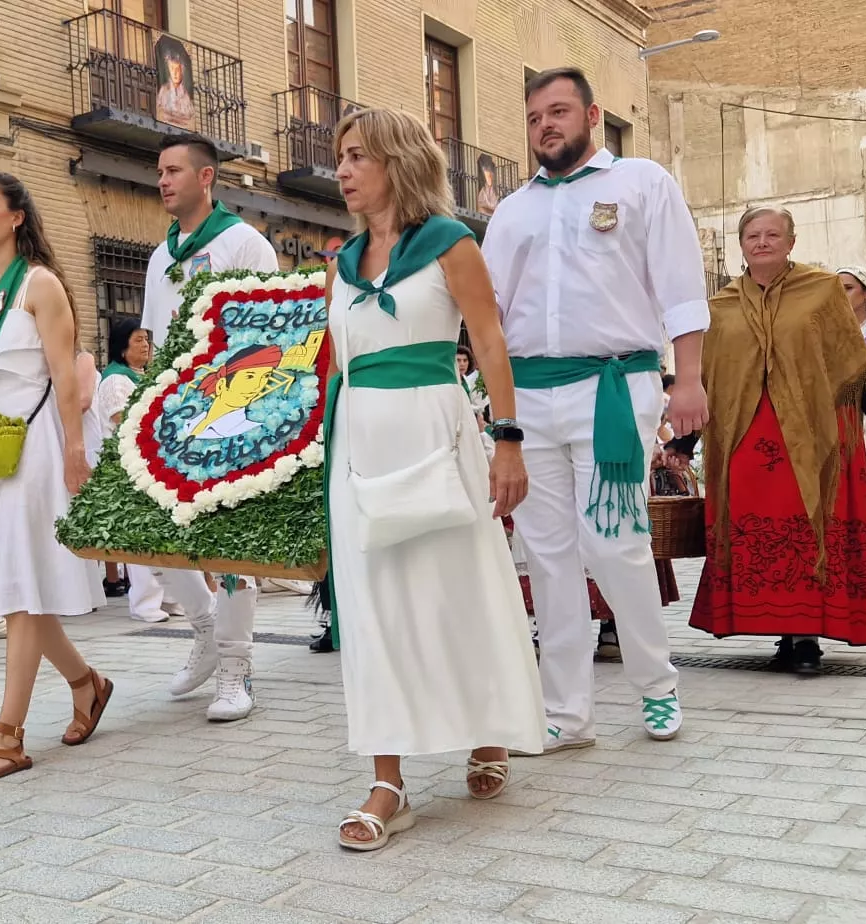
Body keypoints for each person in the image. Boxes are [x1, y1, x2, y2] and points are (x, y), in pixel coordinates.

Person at [323, 106, 544, 851]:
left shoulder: (452, 244)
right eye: (340, 157)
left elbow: (489, 344)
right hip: (359, 442)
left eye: (357, 156)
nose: (343, 170)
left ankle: (489, 729)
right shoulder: (342, 261)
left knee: (458, 591)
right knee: (372, 603)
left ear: (397, 160)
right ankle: (389, 780)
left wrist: (507, 442)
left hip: (438, 430)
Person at [480, 67, 705, 751]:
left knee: (615, 544)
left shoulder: (641, 184)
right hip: (529, 396)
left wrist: (688, 380)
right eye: (534, 117)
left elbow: (681, 285)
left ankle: (657, 687)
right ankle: (566, 712)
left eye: (558, 111)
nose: (545, 125)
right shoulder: (512, 209)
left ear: (592, 115)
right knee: (545, 555)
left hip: (612, 388)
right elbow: (488, 312)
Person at [0, 171, 107, 784]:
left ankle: (7, 734)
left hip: (34, 448)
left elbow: (65, 378)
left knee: (19, 590)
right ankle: (88, 685)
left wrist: (76, 451)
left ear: (15, 217)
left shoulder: (41, 285)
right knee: (18, 585)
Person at [686, 207, 866, 674]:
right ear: (741, 243)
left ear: (791, 242)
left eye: (773, 234)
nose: (762, 242)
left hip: (815, 435)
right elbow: (706, 379)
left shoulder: (821, 291)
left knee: (811, 526)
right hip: (745, 438)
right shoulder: (720, 305)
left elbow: (854, 365)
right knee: (760, 531)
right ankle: (779, 628)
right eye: (752, 234)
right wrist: (683, 445)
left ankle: (806, 635)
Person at [137, 133, 282, 722]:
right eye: (159, 170)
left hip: (232, 410)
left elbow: (271, 334)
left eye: (174, 170)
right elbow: (155, 341)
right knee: (152, 535)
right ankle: (204, 631)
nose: (163, 180)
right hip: (174, 413)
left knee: (231, 546)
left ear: (206, 178)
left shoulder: (245, 243)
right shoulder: (160, 254)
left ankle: (236, 667)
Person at [92, 319, 165, 619]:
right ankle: (145, 603)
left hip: (153, 462)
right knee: (140, 535)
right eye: (138, 340)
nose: (146, 345)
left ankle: (168, 597)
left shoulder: (143, 376)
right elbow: (124, 421)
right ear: (122, 347)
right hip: (130, 465)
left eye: (147, 339)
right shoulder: (116, 380)